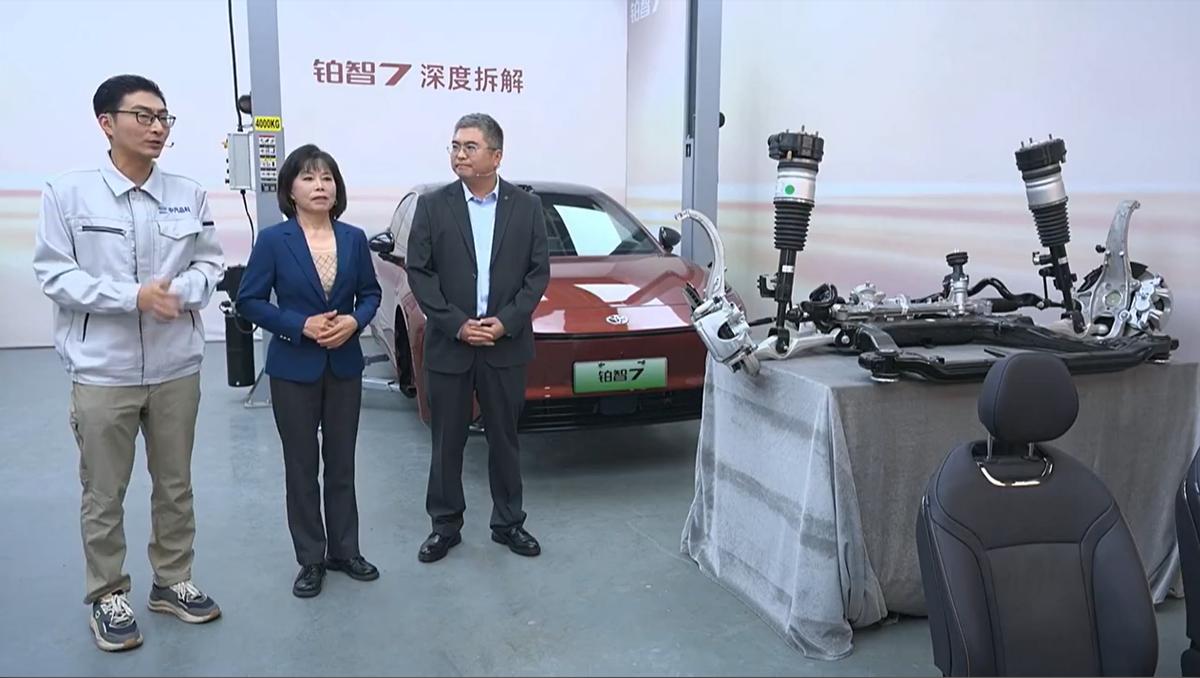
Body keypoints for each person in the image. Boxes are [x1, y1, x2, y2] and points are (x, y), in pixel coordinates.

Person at [32, 74, 225, 652]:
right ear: (106, 123)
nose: (157, 127)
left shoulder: (187, 193)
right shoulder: (67, 194)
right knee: (104, 490)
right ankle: (108, 593)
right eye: (143, 116)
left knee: (175, 484)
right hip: (103, 370)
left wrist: (180, 292)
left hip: (175, 367)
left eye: (163, 117)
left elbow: (209, 266)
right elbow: (55, 275)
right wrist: (132, 297)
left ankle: (173, 580)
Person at [236, 144, 382, 598]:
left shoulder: (354, 238)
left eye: (327, 178)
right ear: (290, 190)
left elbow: (371, 294)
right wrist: (300, 325)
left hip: (344, 365)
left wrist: (355, 322)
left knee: (342, 462)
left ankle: (345, 550)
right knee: (301, 466)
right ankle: (311, 558)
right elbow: (249, 301)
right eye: (309, 178)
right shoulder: (273, 241)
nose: (320, 186)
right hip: (293, 368)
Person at [406, 113, 550, 563]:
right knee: (446, 441)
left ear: (496, 156)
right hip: (451, 343)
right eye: (455, 146)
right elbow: (419, 273)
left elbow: (537, 275)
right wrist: (456, 323)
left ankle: (508, 522)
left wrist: (506, 322)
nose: (459, 154)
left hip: (504, 345)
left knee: (504, 438)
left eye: (470, 146)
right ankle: (444, 525)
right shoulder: (433, 206)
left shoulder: (526, 208)